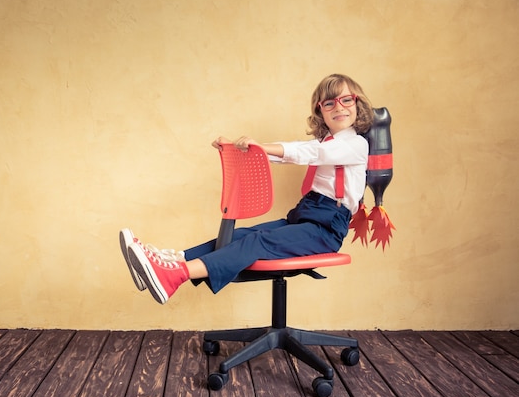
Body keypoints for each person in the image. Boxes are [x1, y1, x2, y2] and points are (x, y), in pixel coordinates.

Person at [120, 73, 374, 304]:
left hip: (326, 228)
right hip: (305, 213)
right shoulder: (325, 141)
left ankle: (176, 275)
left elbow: (311, 153)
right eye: (328, 103)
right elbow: (290, 152)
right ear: (320, 112)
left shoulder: (356, 144)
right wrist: (245, 148)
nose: (338, 107)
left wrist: (261, 147)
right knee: (238, 236)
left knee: (258, 241)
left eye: (345, 100)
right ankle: (164, 263)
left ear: (357, 104)